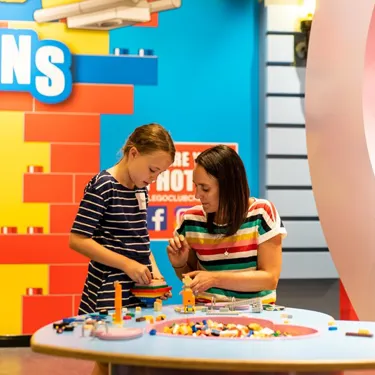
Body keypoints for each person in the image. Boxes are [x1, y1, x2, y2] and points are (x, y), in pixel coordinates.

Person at [69, 123, 175, 375]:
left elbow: (141, 240)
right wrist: (127, 264)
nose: (153, 178)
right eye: (152, 170)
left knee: (135, 354)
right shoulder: (102, 185)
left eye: (159, 173)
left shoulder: (141, 189)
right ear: (133, 153)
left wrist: (156, 276)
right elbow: (77, 239)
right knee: (107, 357)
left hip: (135, 289)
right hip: (109, 287)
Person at [167, 145, 287, 304]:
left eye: (205, 188)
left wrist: (215, 279)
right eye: (196, 186)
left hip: (256, 316)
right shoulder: (190, 220)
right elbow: (194, 279)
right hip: (206, 318)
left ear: (228, 186)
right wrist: (180, 264)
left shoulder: (262, 213)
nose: (197, 195)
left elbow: (270, 279)